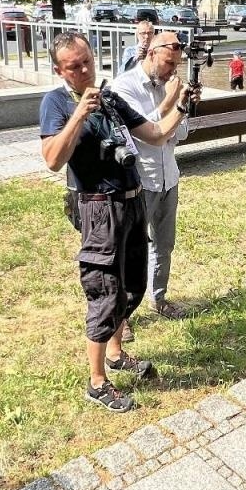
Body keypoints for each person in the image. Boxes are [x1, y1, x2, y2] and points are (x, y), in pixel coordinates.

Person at [39, 33, 193, 412]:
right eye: (75, 66)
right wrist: (79, 114)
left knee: (132, 284)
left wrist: (184, 107)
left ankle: (115, 352)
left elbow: (155, 135)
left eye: (88, 60)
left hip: (132, 200)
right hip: (98, 207)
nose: (85, 69)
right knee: (104, 289)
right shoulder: (55, 103)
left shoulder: (110, 98)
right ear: (60, 70)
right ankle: (96, 382)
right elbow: (53, 159)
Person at [107, 32, 197, 320]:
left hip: (169, 178)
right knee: (129, 250)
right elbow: (145, 136)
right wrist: (171, 102)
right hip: (140, 183)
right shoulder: (125, 87)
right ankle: (122, 316)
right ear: (151, 54)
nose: (173, 71)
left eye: (176, 65)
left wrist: (184, 106)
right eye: (169, 63)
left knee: (164, 245)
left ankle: (159, 299)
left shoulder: (168, 86)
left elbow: (179, 134)